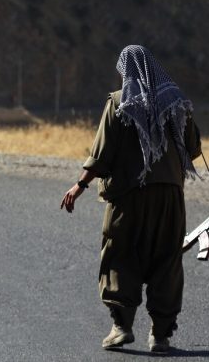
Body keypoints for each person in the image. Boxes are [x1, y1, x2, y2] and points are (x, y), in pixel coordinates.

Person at [60, 45, 201, 354]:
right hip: (169, 199)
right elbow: (193, 150)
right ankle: (160, 337)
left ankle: (121, 328)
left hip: (128, 197)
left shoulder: (118, 103)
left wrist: (79, 186)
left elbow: (102, 155)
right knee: (167, 260)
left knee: (120, 256)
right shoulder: (178, 102)